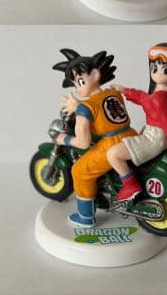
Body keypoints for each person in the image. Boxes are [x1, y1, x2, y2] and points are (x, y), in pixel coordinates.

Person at [52, 49, 137, 227]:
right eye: (76, 84)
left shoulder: (85, 108)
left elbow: (83, 143)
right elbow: (104, 113)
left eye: (80, 81)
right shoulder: (114, 93)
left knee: (79, 171)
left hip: (111, 144)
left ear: (96, 74)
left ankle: (85, 217)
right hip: (131, 135)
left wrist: (64, 139)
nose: (78, 88)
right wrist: (80, 105)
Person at [107, 43, 167, 202]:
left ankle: (130, 185)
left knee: (113, 154)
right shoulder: (160, 93)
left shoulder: (160, 98)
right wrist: (124, 90)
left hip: (154, 138)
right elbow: (143, 98)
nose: (157, 73)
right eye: (154, 68)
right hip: (154, 134)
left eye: (165, 69)